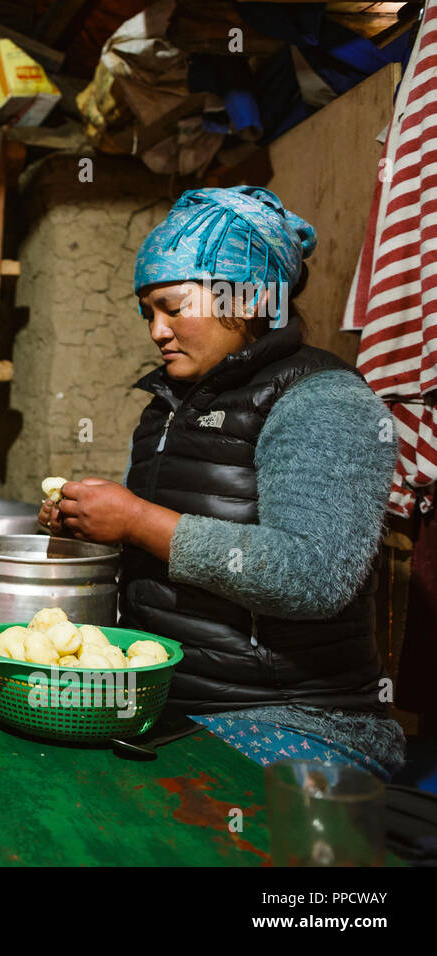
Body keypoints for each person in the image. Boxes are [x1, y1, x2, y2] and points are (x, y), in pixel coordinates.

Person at [38, 185, 406, 779]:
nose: (156, 332)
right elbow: (160, 547)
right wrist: (91, 524)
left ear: (253, 296)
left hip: (292, 718)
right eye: (147, 313)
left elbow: (312, 574)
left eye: (173, 306)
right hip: (169, 702)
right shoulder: (167, 405)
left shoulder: (324, 401)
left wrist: (137, 519)